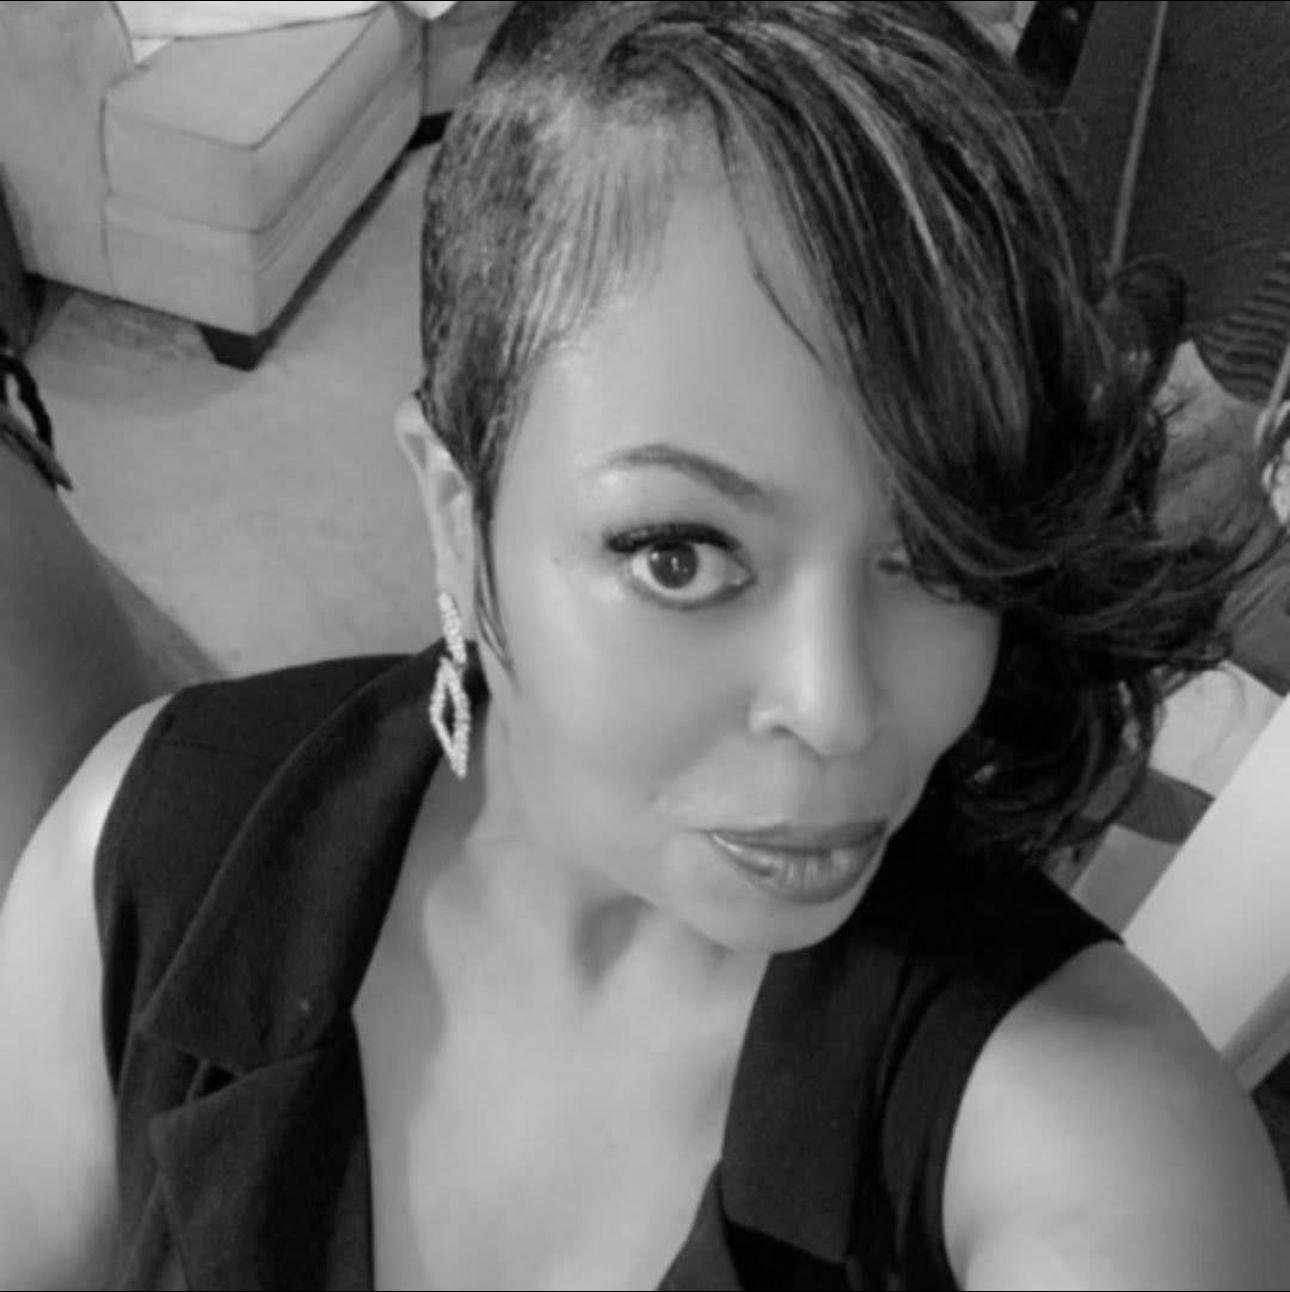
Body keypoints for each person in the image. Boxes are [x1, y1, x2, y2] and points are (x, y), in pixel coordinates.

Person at [2, 2, 1289, 1287]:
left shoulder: (1103, 1136)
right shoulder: (140, 857)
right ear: (456, 511)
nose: (838, 706)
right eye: (681, 554)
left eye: (941, 555)